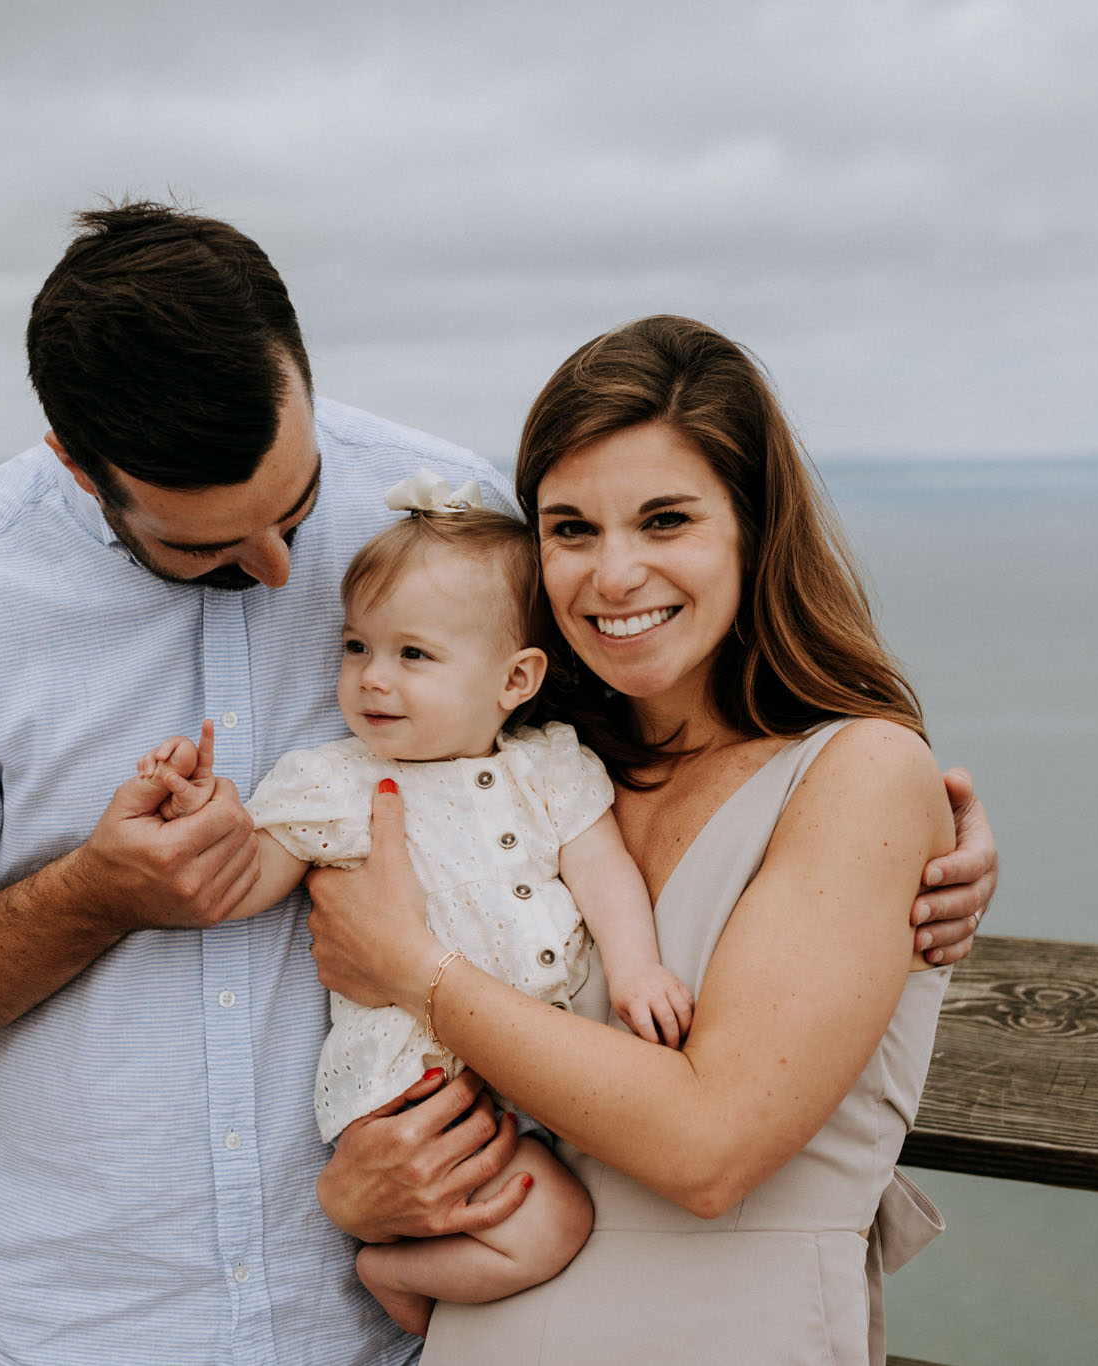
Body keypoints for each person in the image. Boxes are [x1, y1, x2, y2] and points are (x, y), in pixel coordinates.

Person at [0, 203, 997, 1366]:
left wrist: (904, 854)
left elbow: (608, 788)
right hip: (101, 1334)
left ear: (304, 381)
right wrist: (94, 895)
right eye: (203, 546)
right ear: (77, 464)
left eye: (297, 504)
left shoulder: (444, 515)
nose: (279, 570)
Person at [305, 314, 972, 1362]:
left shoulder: (858, 774)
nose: (611, 576)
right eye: (569, 529)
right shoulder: (545, 769)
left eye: (664, 521)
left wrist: (412, 969)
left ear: (753, 528)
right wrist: (355, 1187)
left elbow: (708, 1150)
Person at [131, 486, 694, 1336]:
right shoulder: (338, 780)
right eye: (357, 646)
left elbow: (603, 863)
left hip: (541, 1063)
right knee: (558, 1226)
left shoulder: (547, 766)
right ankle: (397, 1277)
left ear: (515, 679)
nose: (373, 678)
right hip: (415, 1090)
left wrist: (639, 965)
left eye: (414, 654)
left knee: (611, 1214)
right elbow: (242, 881)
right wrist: (198, 814)